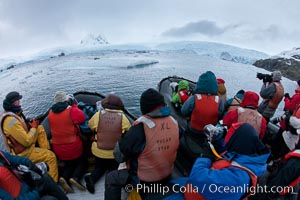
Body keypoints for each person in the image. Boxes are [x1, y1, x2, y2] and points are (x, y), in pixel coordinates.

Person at [105, 88, 180, 200]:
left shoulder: (140, 128)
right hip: (167, 174)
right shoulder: (174, 122)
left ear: (144, 107)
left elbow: (119, 156)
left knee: (111, 178)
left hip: (144, 182)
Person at [165, 122, 270, 200]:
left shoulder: (237, 179)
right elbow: (225, 157)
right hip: (196, 190)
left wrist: (205, 156)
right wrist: (217, 140)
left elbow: (198, 177)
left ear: (237, 141)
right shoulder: (244, 155)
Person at [0, 91, 58, 182]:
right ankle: (53, 183)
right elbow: (26, 141)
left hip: (25, 144)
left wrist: (31, 126)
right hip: (24, 152)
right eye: (18, 100)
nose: (19, 102)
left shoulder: (14, 113)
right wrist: (33, 128)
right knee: (51, 156)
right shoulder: (10, 121)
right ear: (13, 102)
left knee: (40, 128)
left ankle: (45, 152)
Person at [84, 94, 131, 194]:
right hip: (114, 153)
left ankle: (92, 179)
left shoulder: (98, 115)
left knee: (99, 167)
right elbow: (128, 132)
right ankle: (110, 185)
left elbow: (90, 126)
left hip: (98, 151)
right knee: (113, 170)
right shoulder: (123, 118)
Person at [48, 91, 86, 193]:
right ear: (66, 100)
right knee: (81, 161)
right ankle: (76, 178)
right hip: (73, 146)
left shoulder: (50, 113)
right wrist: (74, 105)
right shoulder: (71, 110)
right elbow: (82, 118)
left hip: (58, 147)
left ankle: (64, 178)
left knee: (69, 164)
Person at [0, 150, 68, 200]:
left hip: (25, 186)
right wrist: (36, 193)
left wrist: (29, 163)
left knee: (45, 178)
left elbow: (12, 158)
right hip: (23, 196)